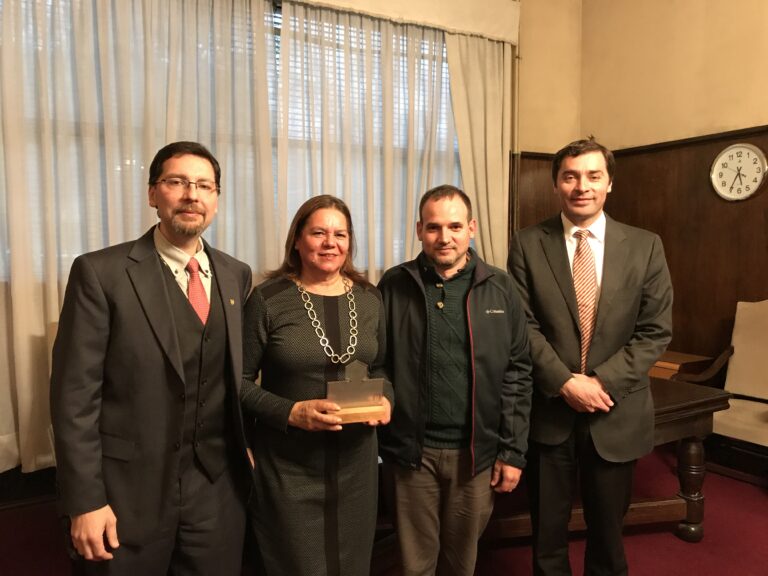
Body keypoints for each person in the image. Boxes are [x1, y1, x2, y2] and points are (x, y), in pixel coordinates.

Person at [50, 141, 253, 575]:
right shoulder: (100, 273)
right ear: (152, 194)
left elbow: (234, 379)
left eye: (204, 185)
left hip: (216, 495)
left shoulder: (237, 274)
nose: (191, 195)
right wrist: (85, 501)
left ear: (216, 199)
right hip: (125, 497)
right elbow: (74, 399)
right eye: (177, 182)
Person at [508, 138, 673, 575]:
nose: (582, 186)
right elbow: (522, 327)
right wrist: (565, 382)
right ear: (556, 184)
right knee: (547, 539)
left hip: (614, 410)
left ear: (609, 183)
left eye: (593, 176)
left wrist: (599, 382)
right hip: (550, 411)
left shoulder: (645, 246)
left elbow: (655, 331)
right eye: (571, 176)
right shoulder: (527, 244)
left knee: (608, 538)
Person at [377, 185, 533, 576]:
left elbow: (517, 373)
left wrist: (512, 452)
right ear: (419, 230)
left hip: (475, 454)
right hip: (412, 454)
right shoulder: (394, 285)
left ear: (472, 228)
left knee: (461, 564)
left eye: (455, 226)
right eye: (433, 227)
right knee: (414, 565)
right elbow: (378, 364)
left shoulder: (501, 288)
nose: (444, 237)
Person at [241, 194, 393, 576]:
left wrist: (386, 400)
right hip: (289, 466)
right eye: (318, 233)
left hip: (357, 465)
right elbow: (237, 382)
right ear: (297, 239)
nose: (330, 243)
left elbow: (382, 367)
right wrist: (291, 412)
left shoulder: (370, 298)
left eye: (340, 234)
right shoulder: (268, 299)